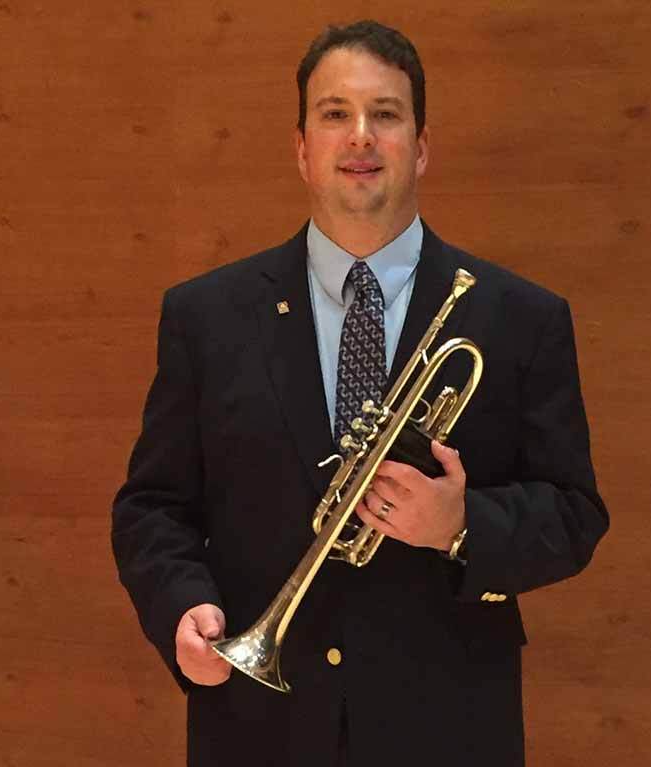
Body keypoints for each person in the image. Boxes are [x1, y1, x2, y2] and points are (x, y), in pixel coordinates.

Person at [111, 19, 609, 767]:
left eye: (386, 114)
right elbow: (152, 507)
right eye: (335, 113)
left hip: (447, 729)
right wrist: (181, 604)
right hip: (258, 729)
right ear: (301, 148)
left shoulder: (520, 317)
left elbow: (574, 515)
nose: (361, 136)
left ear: (422, 146)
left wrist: (460, 525)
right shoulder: (206, 316)